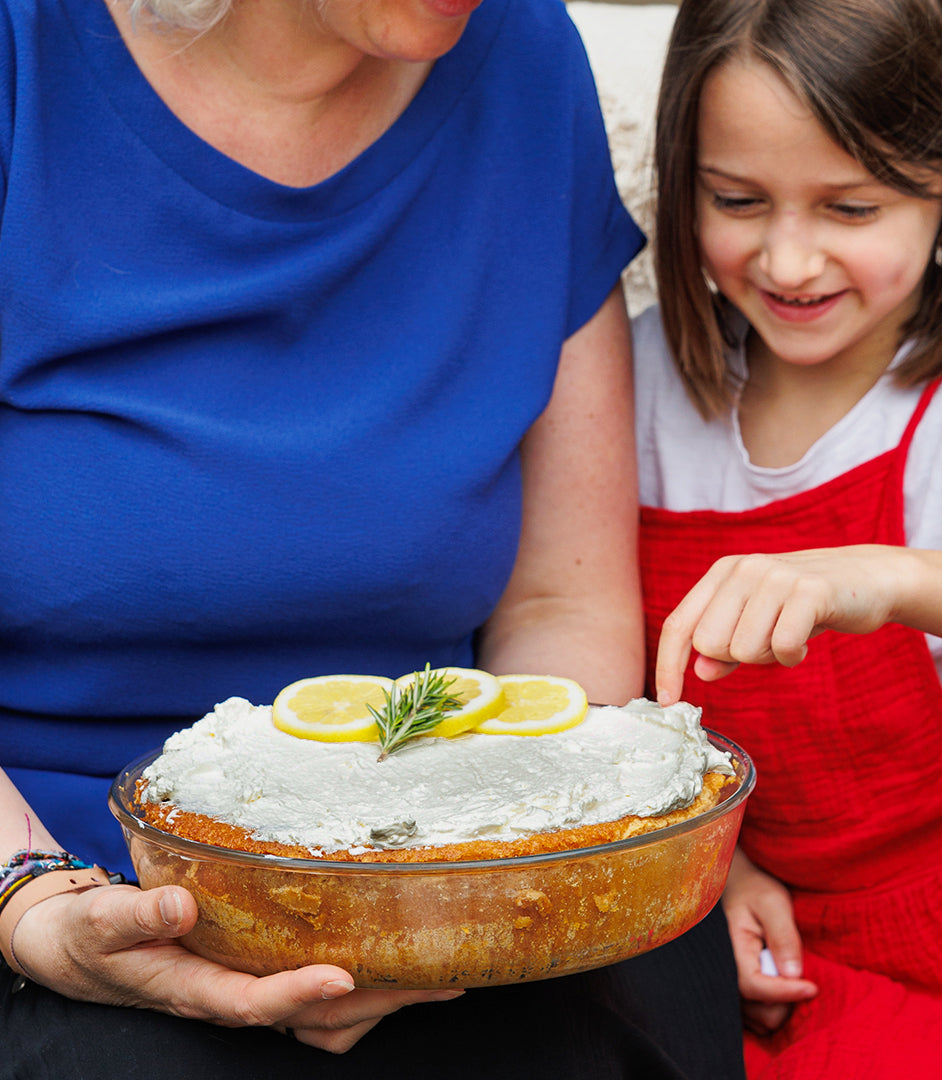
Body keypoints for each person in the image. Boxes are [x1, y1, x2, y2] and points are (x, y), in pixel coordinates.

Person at [0, 0, 747, 1076]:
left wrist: (465, 897)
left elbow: (560, 605)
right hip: (59, 873)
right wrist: (35, 908)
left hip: (443, 873)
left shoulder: (524, 52)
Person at [633, 0, 942, 1076]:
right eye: (738, 200)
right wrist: (717, 868)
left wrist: (892, 576)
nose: (788, 260)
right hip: (799, 944)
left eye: (850, 207)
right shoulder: (642, 385)